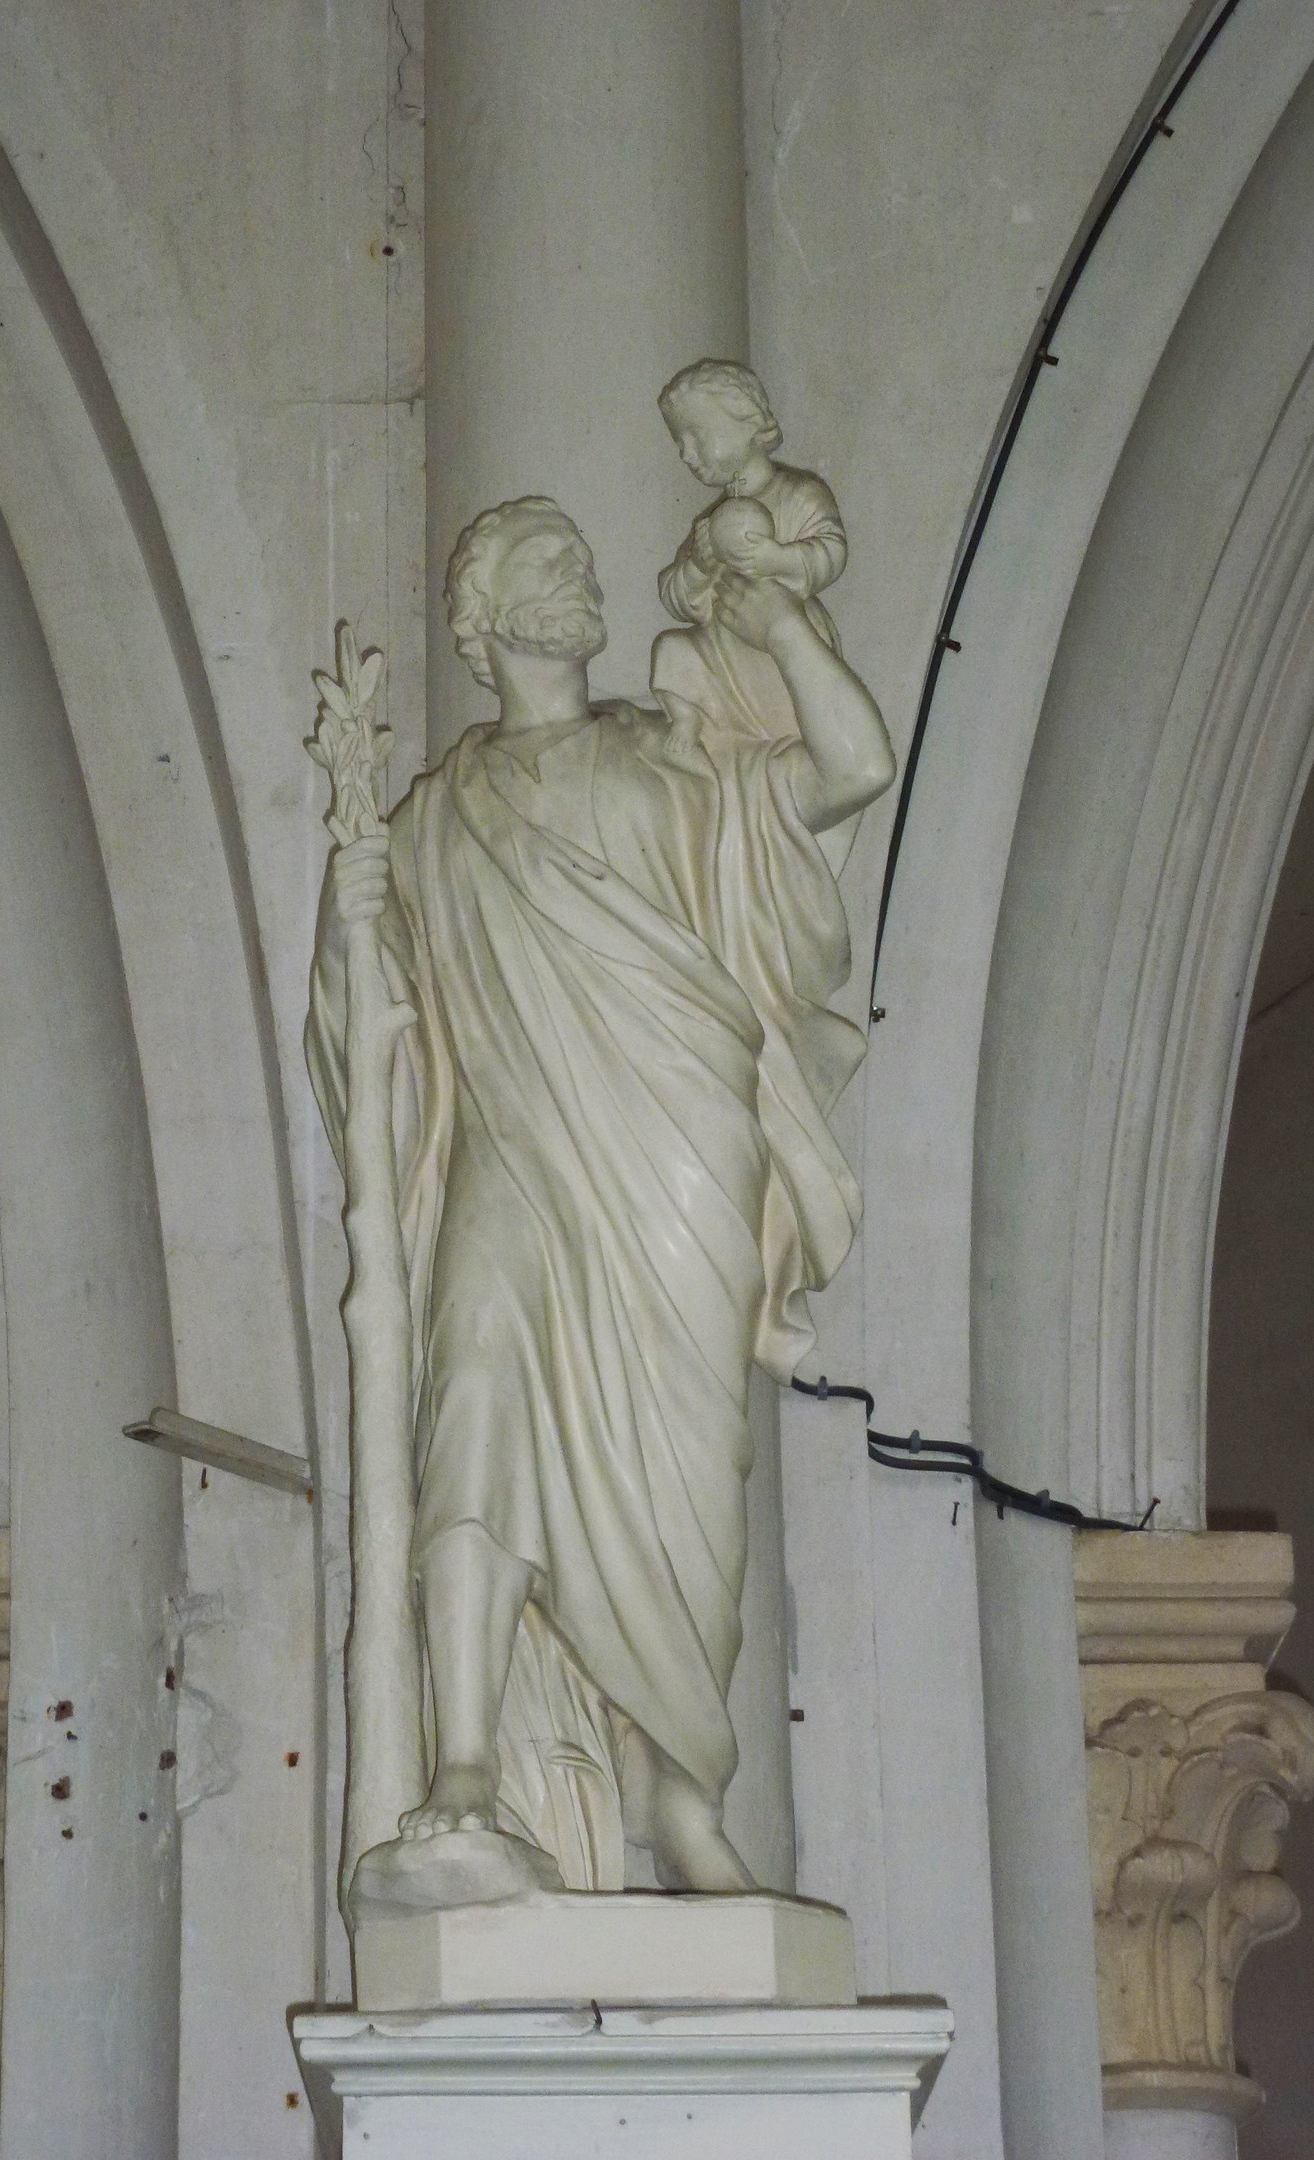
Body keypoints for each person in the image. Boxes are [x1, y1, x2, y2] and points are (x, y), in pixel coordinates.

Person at [307, 496, 893, 1893]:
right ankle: (463, 1768)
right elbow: (367, 1035)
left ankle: (685, 1805)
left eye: (580, 559)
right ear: (482, 617)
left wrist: (780, 623)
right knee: (475, 1415)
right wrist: (354, 920)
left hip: (678, 1155)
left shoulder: (675, 754)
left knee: (689, 1478)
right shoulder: (441, 815)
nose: (580, 580)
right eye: (545, 566)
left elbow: (853, 767)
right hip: (512, 1156)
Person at [654, 359, 849, 749]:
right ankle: (691, 717)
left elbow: (832, 550)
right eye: (679, 443)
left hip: (781, 642)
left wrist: (780, 559)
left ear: (748, 423)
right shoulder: (709, 522)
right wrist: (698, 565)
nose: (686, 454)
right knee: (671, 648)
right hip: (723, 652)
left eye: (696, 436)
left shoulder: (799, 493)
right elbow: (675, 595)